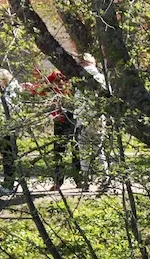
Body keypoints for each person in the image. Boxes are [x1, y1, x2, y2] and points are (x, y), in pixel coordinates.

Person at [76, 52, 110, 190]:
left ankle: (85, 180)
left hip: (84, 119)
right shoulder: (102, 78)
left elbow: (77, 101)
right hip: (98, 119)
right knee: (98, 150)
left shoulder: (80, 79)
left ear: (83, 63)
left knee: (84, 150)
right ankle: (105, 178)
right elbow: (108, 99)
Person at [40, 69, 79, 189]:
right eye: (58, 82)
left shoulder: (74, 76)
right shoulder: (55, 76)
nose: (61, 83)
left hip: (73, 119)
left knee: (76, 150)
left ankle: (79, 179)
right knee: (58, 151)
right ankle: (58, 180)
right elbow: (42, 89)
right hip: (59, 120)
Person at [0, 68, 25, 189]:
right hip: (2, 128)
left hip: (7, 128)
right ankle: (8, 182)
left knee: (8, 156)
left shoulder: (11, 91)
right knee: (6, 156)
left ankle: (9, 184)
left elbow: (9, 108)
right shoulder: (6, 91)